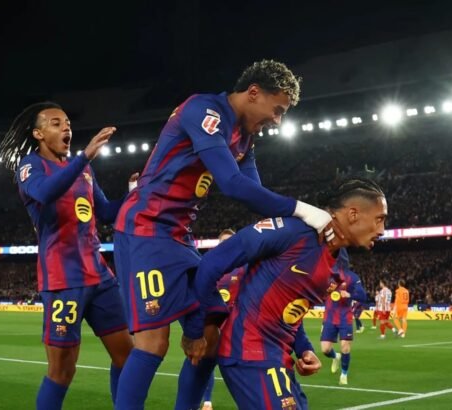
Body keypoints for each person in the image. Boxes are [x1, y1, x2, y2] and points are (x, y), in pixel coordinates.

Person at [112, 60, 336, 410]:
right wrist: (305, 210)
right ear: (253, 93)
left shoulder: (245, 138)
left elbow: (255, 196)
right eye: (277, 110)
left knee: (211, 339)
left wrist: (303, 229)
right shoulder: (204, 111)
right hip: (145, 228)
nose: (277, 120)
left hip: (178, 237)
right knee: (153, 344)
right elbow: (232, 184)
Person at [189, 178, 387, 409]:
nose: (382, 230)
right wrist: (196, 331)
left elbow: (291, 310)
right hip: (249, 352)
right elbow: (211, 263)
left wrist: (303, 348)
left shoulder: (338, 261)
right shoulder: (293, 231)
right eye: (379, 219)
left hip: (279, 358)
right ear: (353, 214)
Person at [0, 102, 135, 410]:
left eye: (68, 124)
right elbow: (46, 192)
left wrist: (135, 194)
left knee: (128, 358)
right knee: (63, 371)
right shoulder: (30, 166)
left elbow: (106, 212)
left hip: (99, 276)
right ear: (38, 134)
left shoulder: (82, 168)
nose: (66, 128)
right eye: (56, 123)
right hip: (63, 279)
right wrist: (85, 156)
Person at [201, 228, 243, 410]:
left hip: (237, 326)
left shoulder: (245, 267)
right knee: (206, 362)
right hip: (214, 325)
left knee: (238, 367)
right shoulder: (210, 267)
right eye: (224, 242)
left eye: (231, 241)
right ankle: (207, 401)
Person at [320, 249, 366, 385]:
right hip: (329, 316)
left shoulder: (352, 277)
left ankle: (344, 374)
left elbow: (363, 296)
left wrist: (349, 295)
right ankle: (336, 356)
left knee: (345, 347)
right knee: (325, 349)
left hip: (345, 316)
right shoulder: (326, 274)